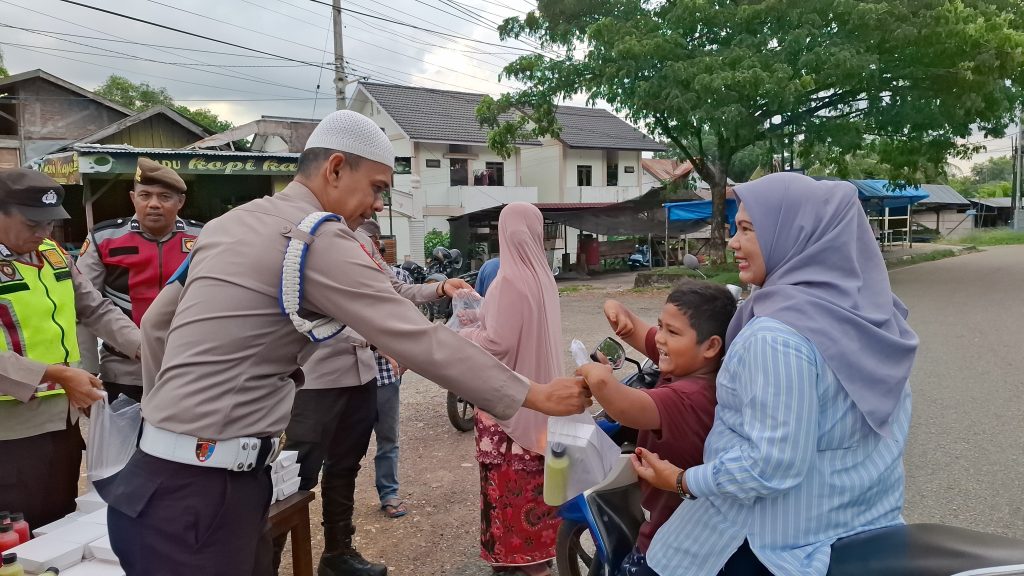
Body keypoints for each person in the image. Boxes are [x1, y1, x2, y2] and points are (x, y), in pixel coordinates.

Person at [101, 110, 589, 576]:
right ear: (335, 168)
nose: (379, 205)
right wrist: (532, 395)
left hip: (156, 479)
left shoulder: (231, 222)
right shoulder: (315, 237)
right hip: (203, 500)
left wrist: (171, 418)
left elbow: (158, 322)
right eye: (377, 188)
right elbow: (416, 336)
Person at [633, 173, 919, 576]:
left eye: (748, 229)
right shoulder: (874, 318)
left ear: (796, 235)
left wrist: (682, 481)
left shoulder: (777, 335)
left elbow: (771, 465)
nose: (733, 241)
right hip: (861, 522)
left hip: (774, 540)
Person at [270, 216, 447, 576]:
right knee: (295, 473)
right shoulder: (305, 240)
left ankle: (338, 553)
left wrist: (439, 291)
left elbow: (392, 288)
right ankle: (267, 561)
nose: (378, 203)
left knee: (345, 466)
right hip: (317, 379)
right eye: (373, 190)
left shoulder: (361, 244)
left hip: (361, 372)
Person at [0, 169, 141, 529]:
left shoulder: (52, 255)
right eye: (33, 223)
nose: (43, 233)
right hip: (10, 429)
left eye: (50, 224)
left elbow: (95, 308)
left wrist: (146, 350)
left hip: (61, 418)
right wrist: (57, 374)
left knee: (58, 519)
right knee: (16, 532)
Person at [577, 279, 736, 575]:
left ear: (711, 346)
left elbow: (622, 406)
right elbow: (639, 331)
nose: (660, 339)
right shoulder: (684, 363)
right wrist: (616, 309)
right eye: (661, 325)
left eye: (672, 332)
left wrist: (595, 376)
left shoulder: (691, 397)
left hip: (669, 543)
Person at [457, 203, 566, 576]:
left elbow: (496, 344)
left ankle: (520, 563)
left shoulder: (508, 280)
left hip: (509, 410)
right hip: (543, 411)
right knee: (537, 492)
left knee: (508, 492)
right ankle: (541, 559)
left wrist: (466, 330)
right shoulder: (543, 279)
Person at [76, 157, 202, 403]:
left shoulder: (204, 238)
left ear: (180, 202)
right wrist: (86, 371)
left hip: (187, 369)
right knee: (124, 441)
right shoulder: (104, 238)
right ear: (133, 198)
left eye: (164, 197)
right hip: (124, 372)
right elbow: (82, 309)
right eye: (145, 196)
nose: (154, 204)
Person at [358, 220, 412, 520]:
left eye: (373, 244)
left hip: (386, 376)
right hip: (353, 376)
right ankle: (337, 501)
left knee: (388, 438)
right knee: (345, 446)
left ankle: (389, 494)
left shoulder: (395, 278)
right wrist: (381, 346)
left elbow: (405, 320)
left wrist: (405, 354)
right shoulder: (344, 278)